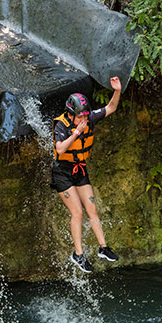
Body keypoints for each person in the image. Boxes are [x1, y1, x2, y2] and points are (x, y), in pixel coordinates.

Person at [51, 76, 123, 273]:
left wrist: (116, 90)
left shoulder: (89, 117)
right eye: (80, 117)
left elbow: (111, 108)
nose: (84, 120)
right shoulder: (62, 125)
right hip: (62, 173)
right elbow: (60, 148)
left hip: (79, 168)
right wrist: (75, 133)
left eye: (85, 116)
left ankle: (103, 248)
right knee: (78, 212)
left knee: (92, 210)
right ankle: (78, 255)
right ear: (71, 114)